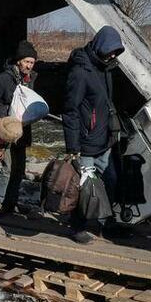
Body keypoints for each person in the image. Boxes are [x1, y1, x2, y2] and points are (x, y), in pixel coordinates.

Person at [62, 26, 125, 243]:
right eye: (111, 51)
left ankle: (106, 222)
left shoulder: (105, 68)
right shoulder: (80, 72)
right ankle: (76, 225)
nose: (113, 55)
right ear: (100, 46)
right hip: (86, 142)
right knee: (84, 187)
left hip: (105, 139)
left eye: (116, 52)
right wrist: (73, 146)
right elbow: (70, 110)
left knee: (110, 181)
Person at [0, 40, 38, 217]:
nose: (29, 65)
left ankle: (11, 202)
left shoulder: (30, 80)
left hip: (23, 131)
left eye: (32, 62)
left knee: (19, 169)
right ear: (18, 61)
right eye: (27, 61)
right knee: (7, 168)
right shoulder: (3, 79)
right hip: (6, 131)